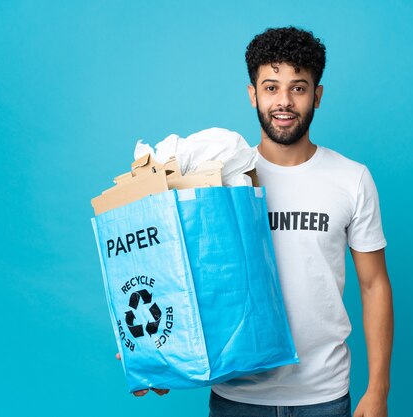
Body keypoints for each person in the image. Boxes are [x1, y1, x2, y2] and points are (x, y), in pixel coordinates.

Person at [123, 26, 394, 417]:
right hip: (238, 396)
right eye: (271, 87)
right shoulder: (218, 181)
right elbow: (180, 277)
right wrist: (154, 352)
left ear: (317, 96)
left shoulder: (352, 179)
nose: (284, 101)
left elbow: (374, 285)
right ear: (253, 95)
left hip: (325, 396)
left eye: (298, 88)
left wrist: (379, 389)